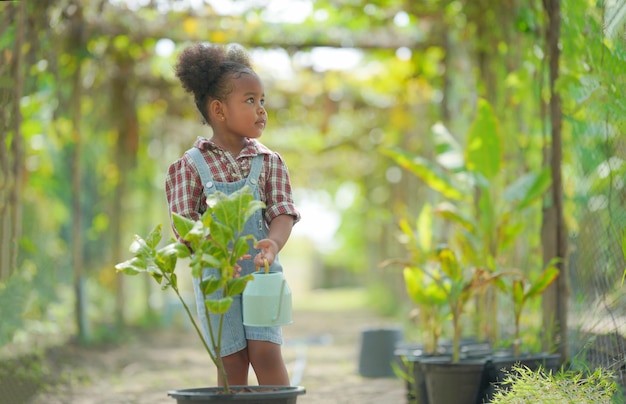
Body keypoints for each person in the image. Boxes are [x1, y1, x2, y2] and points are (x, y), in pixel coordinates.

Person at [165, 42, 300, 387]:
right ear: (219, 110)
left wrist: (274, 241)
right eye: (250, 100)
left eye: (262, 101)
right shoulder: (190, 166)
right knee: (231, 360)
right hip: (216, 277)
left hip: (261, 273)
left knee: (266, 352)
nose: (261, 110)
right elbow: (185, 226)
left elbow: (283, 211)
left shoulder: (269, 161)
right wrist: (213, 247)